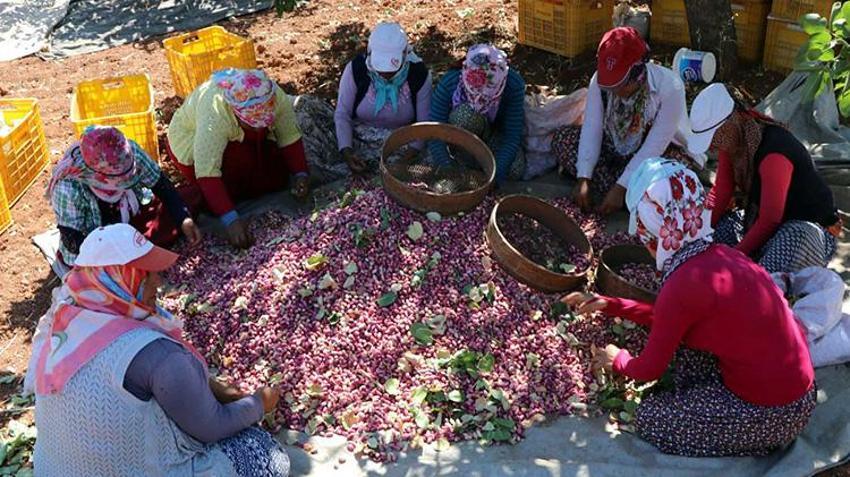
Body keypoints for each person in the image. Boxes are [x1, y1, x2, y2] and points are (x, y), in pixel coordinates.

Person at [564, 158, 816, 457]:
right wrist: (610, 305)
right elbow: (673, 320)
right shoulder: (721, 255)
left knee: (652, 418)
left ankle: (756, 438)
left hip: (775, 413)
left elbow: (648, 369)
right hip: (800, 395)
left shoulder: (682, 282)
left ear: (652, 229)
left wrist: (617, 359)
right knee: (685, 355)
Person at [25, 224, 288, 476]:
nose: (159, 283)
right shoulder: (157, 354)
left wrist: (209, 386)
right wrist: (259, 403)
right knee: (262, 451)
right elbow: (213, 426)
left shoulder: (60, 324)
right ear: (123, 280)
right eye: (148, 274)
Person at [688, 83, 840, 273]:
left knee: (795, 240)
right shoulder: (731, 144)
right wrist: (698, 234)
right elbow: (721, 192)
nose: (711, 147)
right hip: (764, 224)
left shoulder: (774, 152)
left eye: (714, 137)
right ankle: (749, 265)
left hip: (803, 231)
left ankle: (755, 276)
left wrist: (735, 256)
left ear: (733, 122)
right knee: (717, 230)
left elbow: (771, 218)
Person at [552, 27, 703, 214]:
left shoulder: (670, 87)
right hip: (615, 147)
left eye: (619, 85)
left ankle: (622, 190)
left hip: (658, 153)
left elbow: (655, 146)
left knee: (668, 177)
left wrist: (621, 187)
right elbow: (592, 128)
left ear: (637, 73)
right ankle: (628, 194)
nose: (614, 92)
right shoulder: (599, 83)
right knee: (562, 138)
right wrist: (583, 177)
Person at [167, 68, 310, 249]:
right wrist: (231, 220)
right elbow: (207, 171)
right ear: (235, 112)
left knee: (276, 178)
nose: (260, 128)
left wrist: (301, 174)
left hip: (238, 138)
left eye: (263, 123)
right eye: (253, 123)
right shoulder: (216, 113)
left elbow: (289, 136)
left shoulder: (273, 95)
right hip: (191, 140)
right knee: (228, 188)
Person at [48, 126, 202, 268]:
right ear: (98, 175)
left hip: (130, 218)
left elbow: (160, 184)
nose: (125, 183)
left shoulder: (127, 151)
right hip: (95, 240)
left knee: (191, 197)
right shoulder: (68, 186)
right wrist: (116, 256)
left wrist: (183, 218)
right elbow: (73, 240)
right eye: (119, 180)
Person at [330, 21, 432, 178]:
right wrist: (347, 151)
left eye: (391, 69)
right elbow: (343, 113)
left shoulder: (418, 74)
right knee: (308, 109)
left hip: (400, 144)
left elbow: (424, 126)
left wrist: (404, 161)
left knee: (429, 163)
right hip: (360, 138)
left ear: (405, 54)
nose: (385, 74)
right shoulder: (356, 69)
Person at [428, 43, 526, 183]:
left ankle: (480, 169)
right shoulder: (451, 82)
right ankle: (462, 164)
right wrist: (447, 165)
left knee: (515, 168)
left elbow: (511, 136)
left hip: (491, 136)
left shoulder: (513, 85)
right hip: (459, 139)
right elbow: (434, 130)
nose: (481, 98)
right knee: (465, 116)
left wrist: (495, 174)